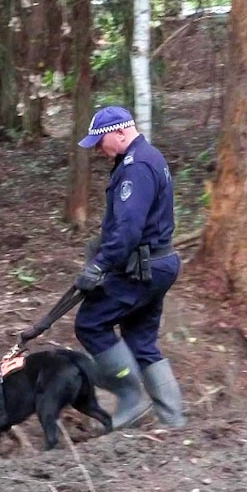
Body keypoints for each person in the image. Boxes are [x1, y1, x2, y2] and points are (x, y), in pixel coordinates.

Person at [73, 105, 186, 429]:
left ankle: (132, 399)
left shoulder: (136, 167)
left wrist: (100, 266)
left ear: (120, 133)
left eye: (99, 142)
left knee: (91, 323)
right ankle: (173, 421)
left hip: (142, 268)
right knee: (140, 340)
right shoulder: (150, 157)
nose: (97, 150)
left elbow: (129, 229)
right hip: (158, 264)